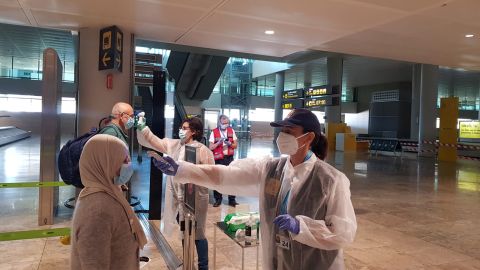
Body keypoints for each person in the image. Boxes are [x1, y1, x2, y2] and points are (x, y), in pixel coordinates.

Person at [153, 109, 357, 270]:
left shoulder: (331, 180)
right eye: (282, 131)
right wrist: (183, 170)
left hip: (316, 264)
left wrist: (301, 227)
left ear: (309, 137)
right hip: (277, 260)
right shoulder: (271, 169)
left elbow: (342, 233)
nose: (282, 136)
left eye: (289, 132)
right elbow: (225, 175)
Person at [136, 117, 214, 270]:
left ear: (195, 131)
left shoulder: (203, 151)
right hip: (179, 198)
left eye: (185, 128)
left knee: (198, 233)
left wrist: (186, 172)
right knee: (185, 231)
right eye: (181, 127)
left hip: (196, 199)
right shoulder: (174, 145)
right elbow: (154, 141)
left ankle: (203, 266)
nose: (181, 130)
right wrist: (143, 128)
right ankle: (188, 261)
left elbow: (210, 175)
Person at [71, 134, 147, 270]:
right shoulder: (97, 210)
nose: (129, 164)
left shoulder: (108, 194)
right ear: (106, 162)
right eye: (124, 159)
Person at [209, 114, 238, 207]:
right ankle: (218, 200)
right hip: (219, 159)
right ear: (219, 122)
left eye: (227, 123)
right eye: (223, 123)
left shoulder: (231, 131)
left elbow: (235, 146)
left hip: (229, 158)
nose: (225, 124)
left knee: (232, 179)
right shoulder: (214, 132)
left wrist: (229, 143)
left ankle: (232, 200)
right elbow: (210, 147)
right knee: (218, 179)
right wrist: (218, 142)